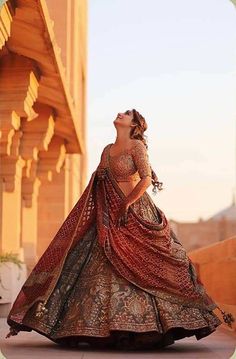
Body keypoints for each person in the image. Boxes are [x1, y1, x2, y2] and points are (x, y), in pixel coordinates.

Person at [5, 109, 234, 350]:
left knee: (149, 268)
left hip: (136, 215)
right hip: (108, 219)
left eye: (126, 114)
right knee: (99, 271)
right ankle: (105, 331)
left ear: (134, 124)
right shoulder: (107, 150)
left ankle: (146, 331)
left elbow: (145, 179)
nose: (120, 113)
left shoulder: (136, 147)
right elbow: (99, 181)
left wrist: (126, 203)